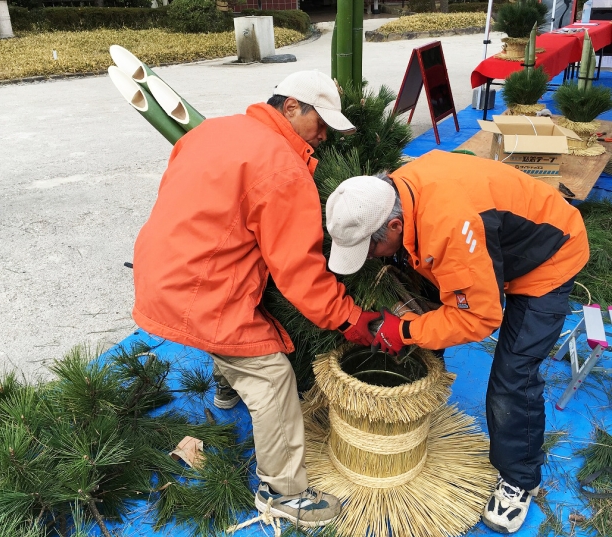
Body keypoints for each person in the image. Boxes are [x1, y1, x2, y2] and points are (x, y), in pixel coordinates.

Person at [131, 70, 383, 527]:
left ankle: (227, 389)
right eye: (320, 123)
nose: (323, 136)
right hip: (200, 288)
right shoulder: (282, 168)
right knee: (270, 377)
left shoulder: (214, 129)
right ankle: (284, 493)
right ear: (290, 106)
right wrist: (349, 317)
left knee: (243, 319)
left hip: (160, 266)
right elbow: (299, 272)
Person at [325, 150, 589, 534]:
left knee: (513, 376)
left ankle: (519, 478)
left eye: (368, 249)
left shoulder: (451, 229)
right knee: (432, 308)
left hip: (547, 256)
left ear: (394, 226)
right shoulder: (391, 190)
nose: (367, 259)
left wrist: (404, 331)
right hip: (490, 246)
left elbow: (480, 317)